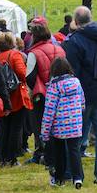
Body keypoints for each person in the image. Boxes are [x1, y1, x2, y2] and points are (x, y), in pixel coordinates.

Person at [64, 6, 97, 184]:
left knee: (77, 134)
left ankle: (74, 173)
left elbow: (72, 70)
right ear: (91, 19)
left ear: (76, 22)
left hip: (84, 92)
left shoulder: (74, 41)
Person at [40, 57, 85, 189]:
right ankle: (78, 178)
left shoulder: (54, 86)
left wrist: (45, 132)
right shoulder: (76, 82)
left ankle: (60, 178)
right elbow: (82, 102)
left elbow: (49, 110)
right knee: (74, 151)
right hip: (75, 124)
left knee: (59, 152)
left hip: (59, 126)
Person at [26, 21, 66, 165]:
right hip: (59, 91)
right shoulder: (59, 49)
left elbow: (29, 76)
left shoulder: (33, 53)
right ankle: (54, 152)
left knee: (39, 124)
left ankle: (42, 153)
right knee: (56, 124)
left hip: (41, 94)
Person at [0, 33, 32, 166]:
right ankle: (11, 158)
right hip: (16, 96)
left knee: (3, 128)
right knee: (15, 129)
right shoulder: (14, 55)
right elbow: (23, 74)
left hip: (2, 97)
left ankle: (1, 156)